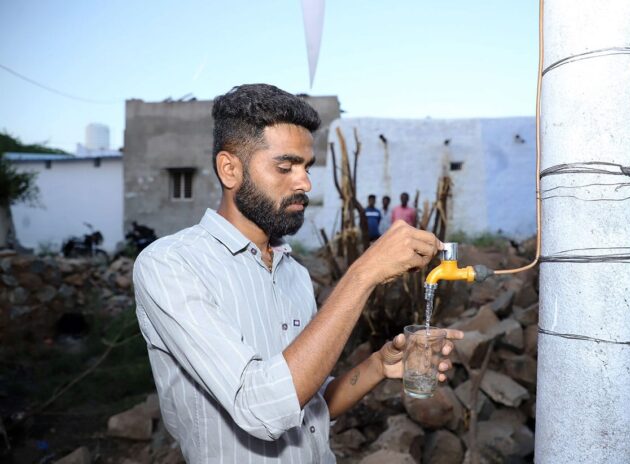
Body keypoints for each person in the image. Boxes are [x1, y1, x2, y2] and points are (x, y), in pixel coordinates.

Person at [133, 84, 462, 463]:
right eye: (284, 167)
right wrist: (363, 273)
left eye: (306, 167)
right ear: (230, 169)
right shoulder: (171, 265)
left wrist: (377, 367)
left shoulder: (294, 274)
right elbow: (261, 409)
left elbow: (306, 405)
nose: (304, 182)